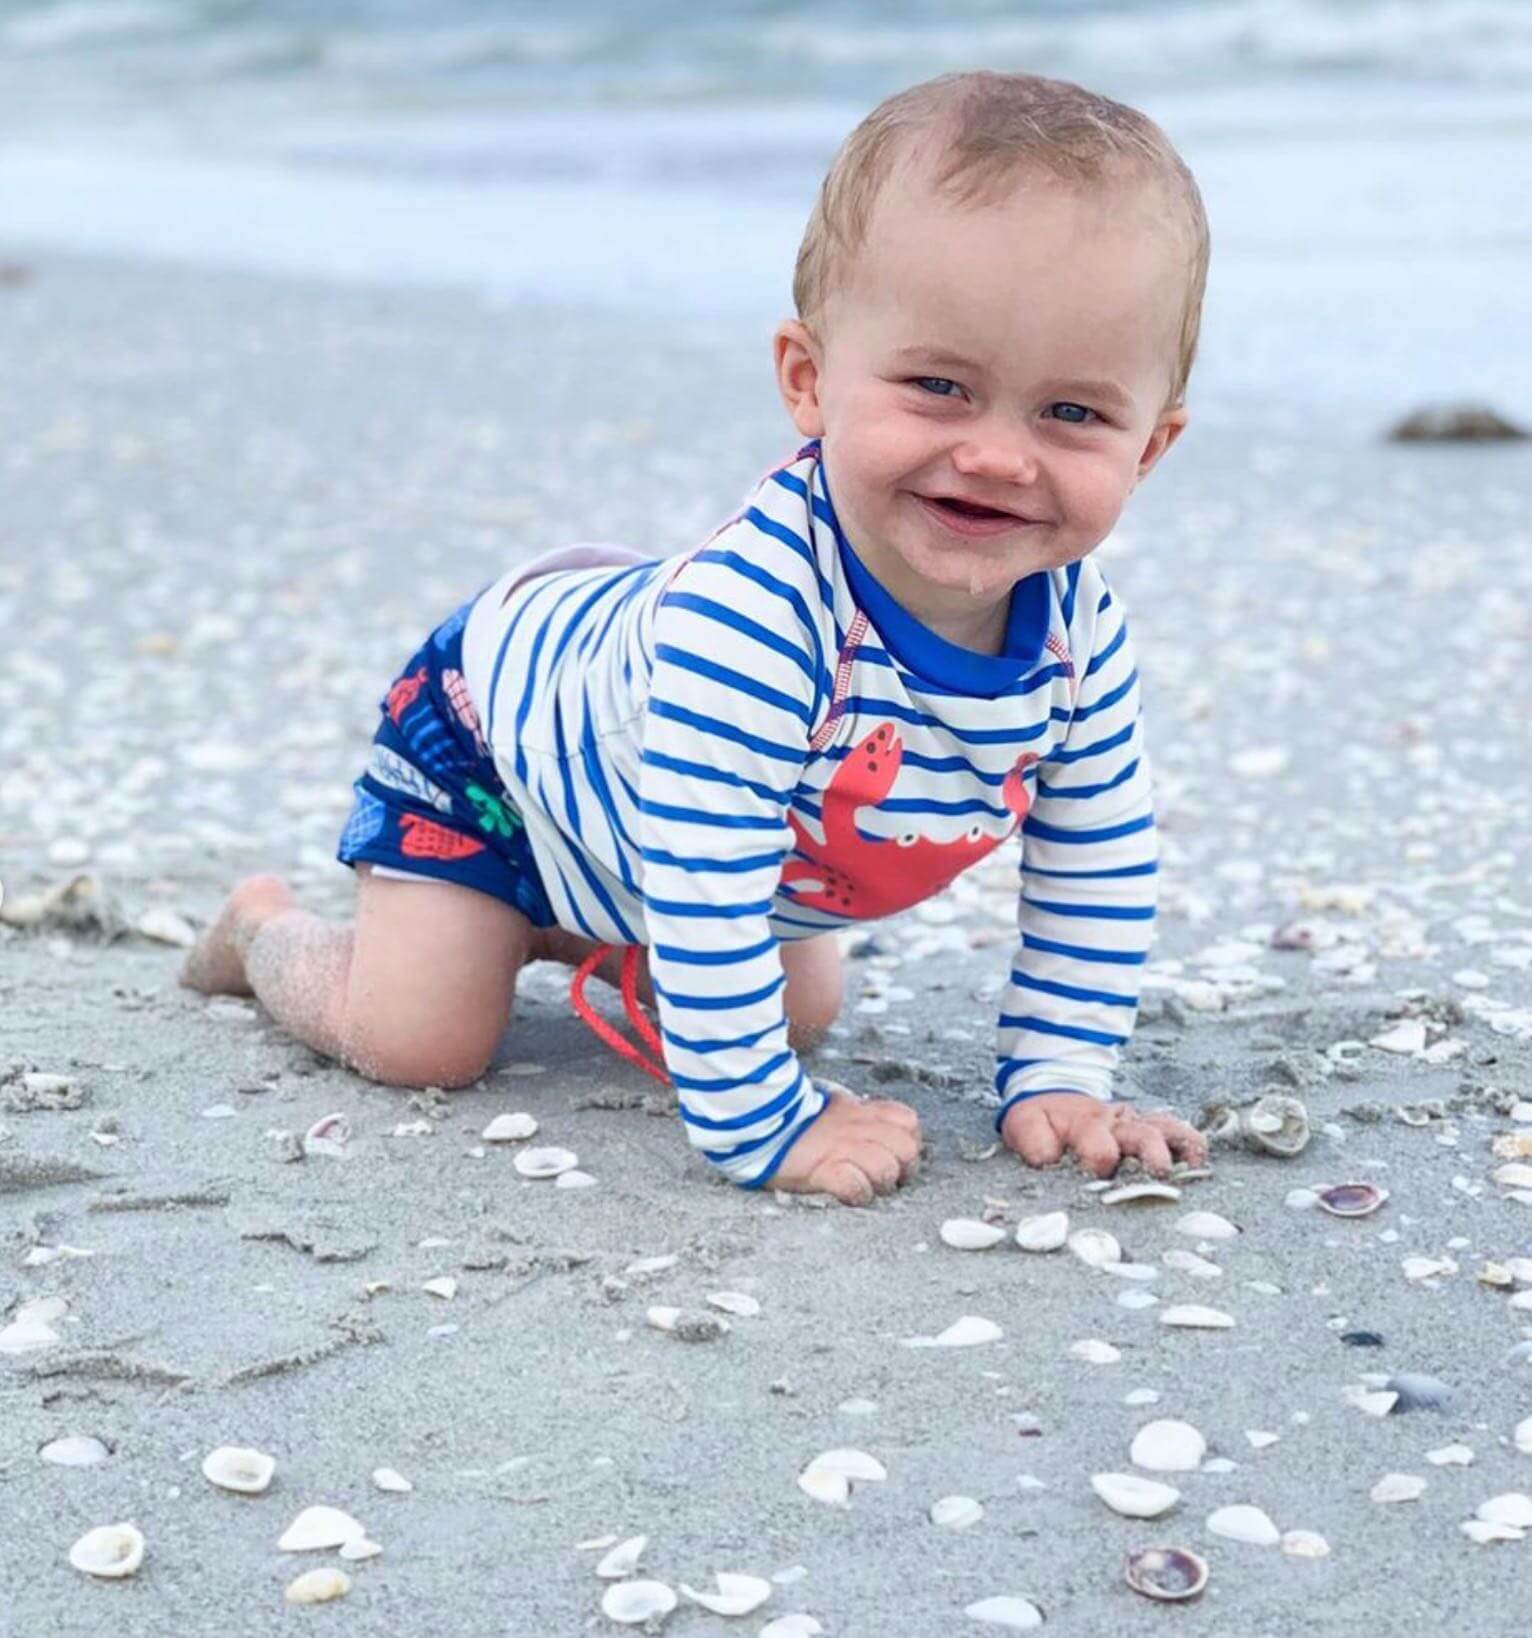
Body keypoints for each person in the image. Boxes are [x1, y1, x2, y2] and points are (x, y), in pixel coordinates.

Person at [183, 69, 1211, 1204]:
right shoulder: (760, 622)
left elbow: (1095, 857)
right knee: (426, 1038)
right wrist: (764, 1130)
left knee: (800, 1011)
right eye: (937, 387)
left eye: (1070, 413)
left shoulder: (1078, 639)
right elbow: (711, 875)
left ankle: (564, 920)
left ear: (1148, 447)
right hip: (491, 748)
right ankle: (267, 930)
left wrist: (1059, 1076)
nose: (997, 455)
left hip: (662, 817)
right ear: (808, 381)